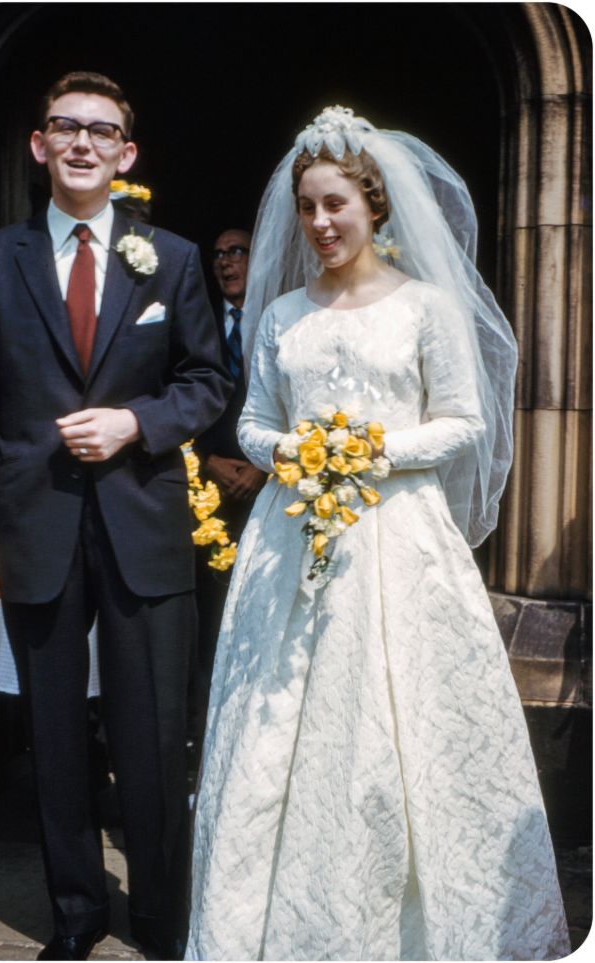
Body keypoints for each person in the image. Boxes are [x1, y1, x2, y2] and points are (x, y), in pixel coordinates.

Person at [185, 107, 570, 960]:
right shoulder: (281, 313)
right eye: (309, 207)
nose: (321, 224)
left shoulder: (428, 308)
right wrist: (298, 452)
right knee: (279, 725)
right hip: (294, 543)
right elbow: (252, 421)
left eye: (337, 206)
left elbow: (464, 421)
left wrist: (365, 452)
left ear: (376, 206)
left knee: (399, 731)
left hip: (400, 539)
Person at [0, 71, 232, 962]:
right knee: (54, 738)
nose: (83, 143)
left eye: (101, 131)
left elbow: (208, 382)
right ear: (38, 145)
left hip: (142, 528)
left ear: (126, 153)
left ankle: (160, 915)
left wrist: (134, 422)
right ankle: (75, 913)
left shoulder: (175, 259)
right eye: (65, 128)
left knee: (153, 736)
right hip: (32, 529)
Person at [189, 230, 266, 757]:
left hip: (269, 491)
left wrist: (263, 469)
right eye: (217, 254)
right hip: (203, 493)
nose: (225, 263)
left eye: (236, 251)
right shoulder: (195, 319)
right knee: (205, 622)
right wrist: (205, 460)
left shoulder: (281, 317)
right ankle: (202, 736)